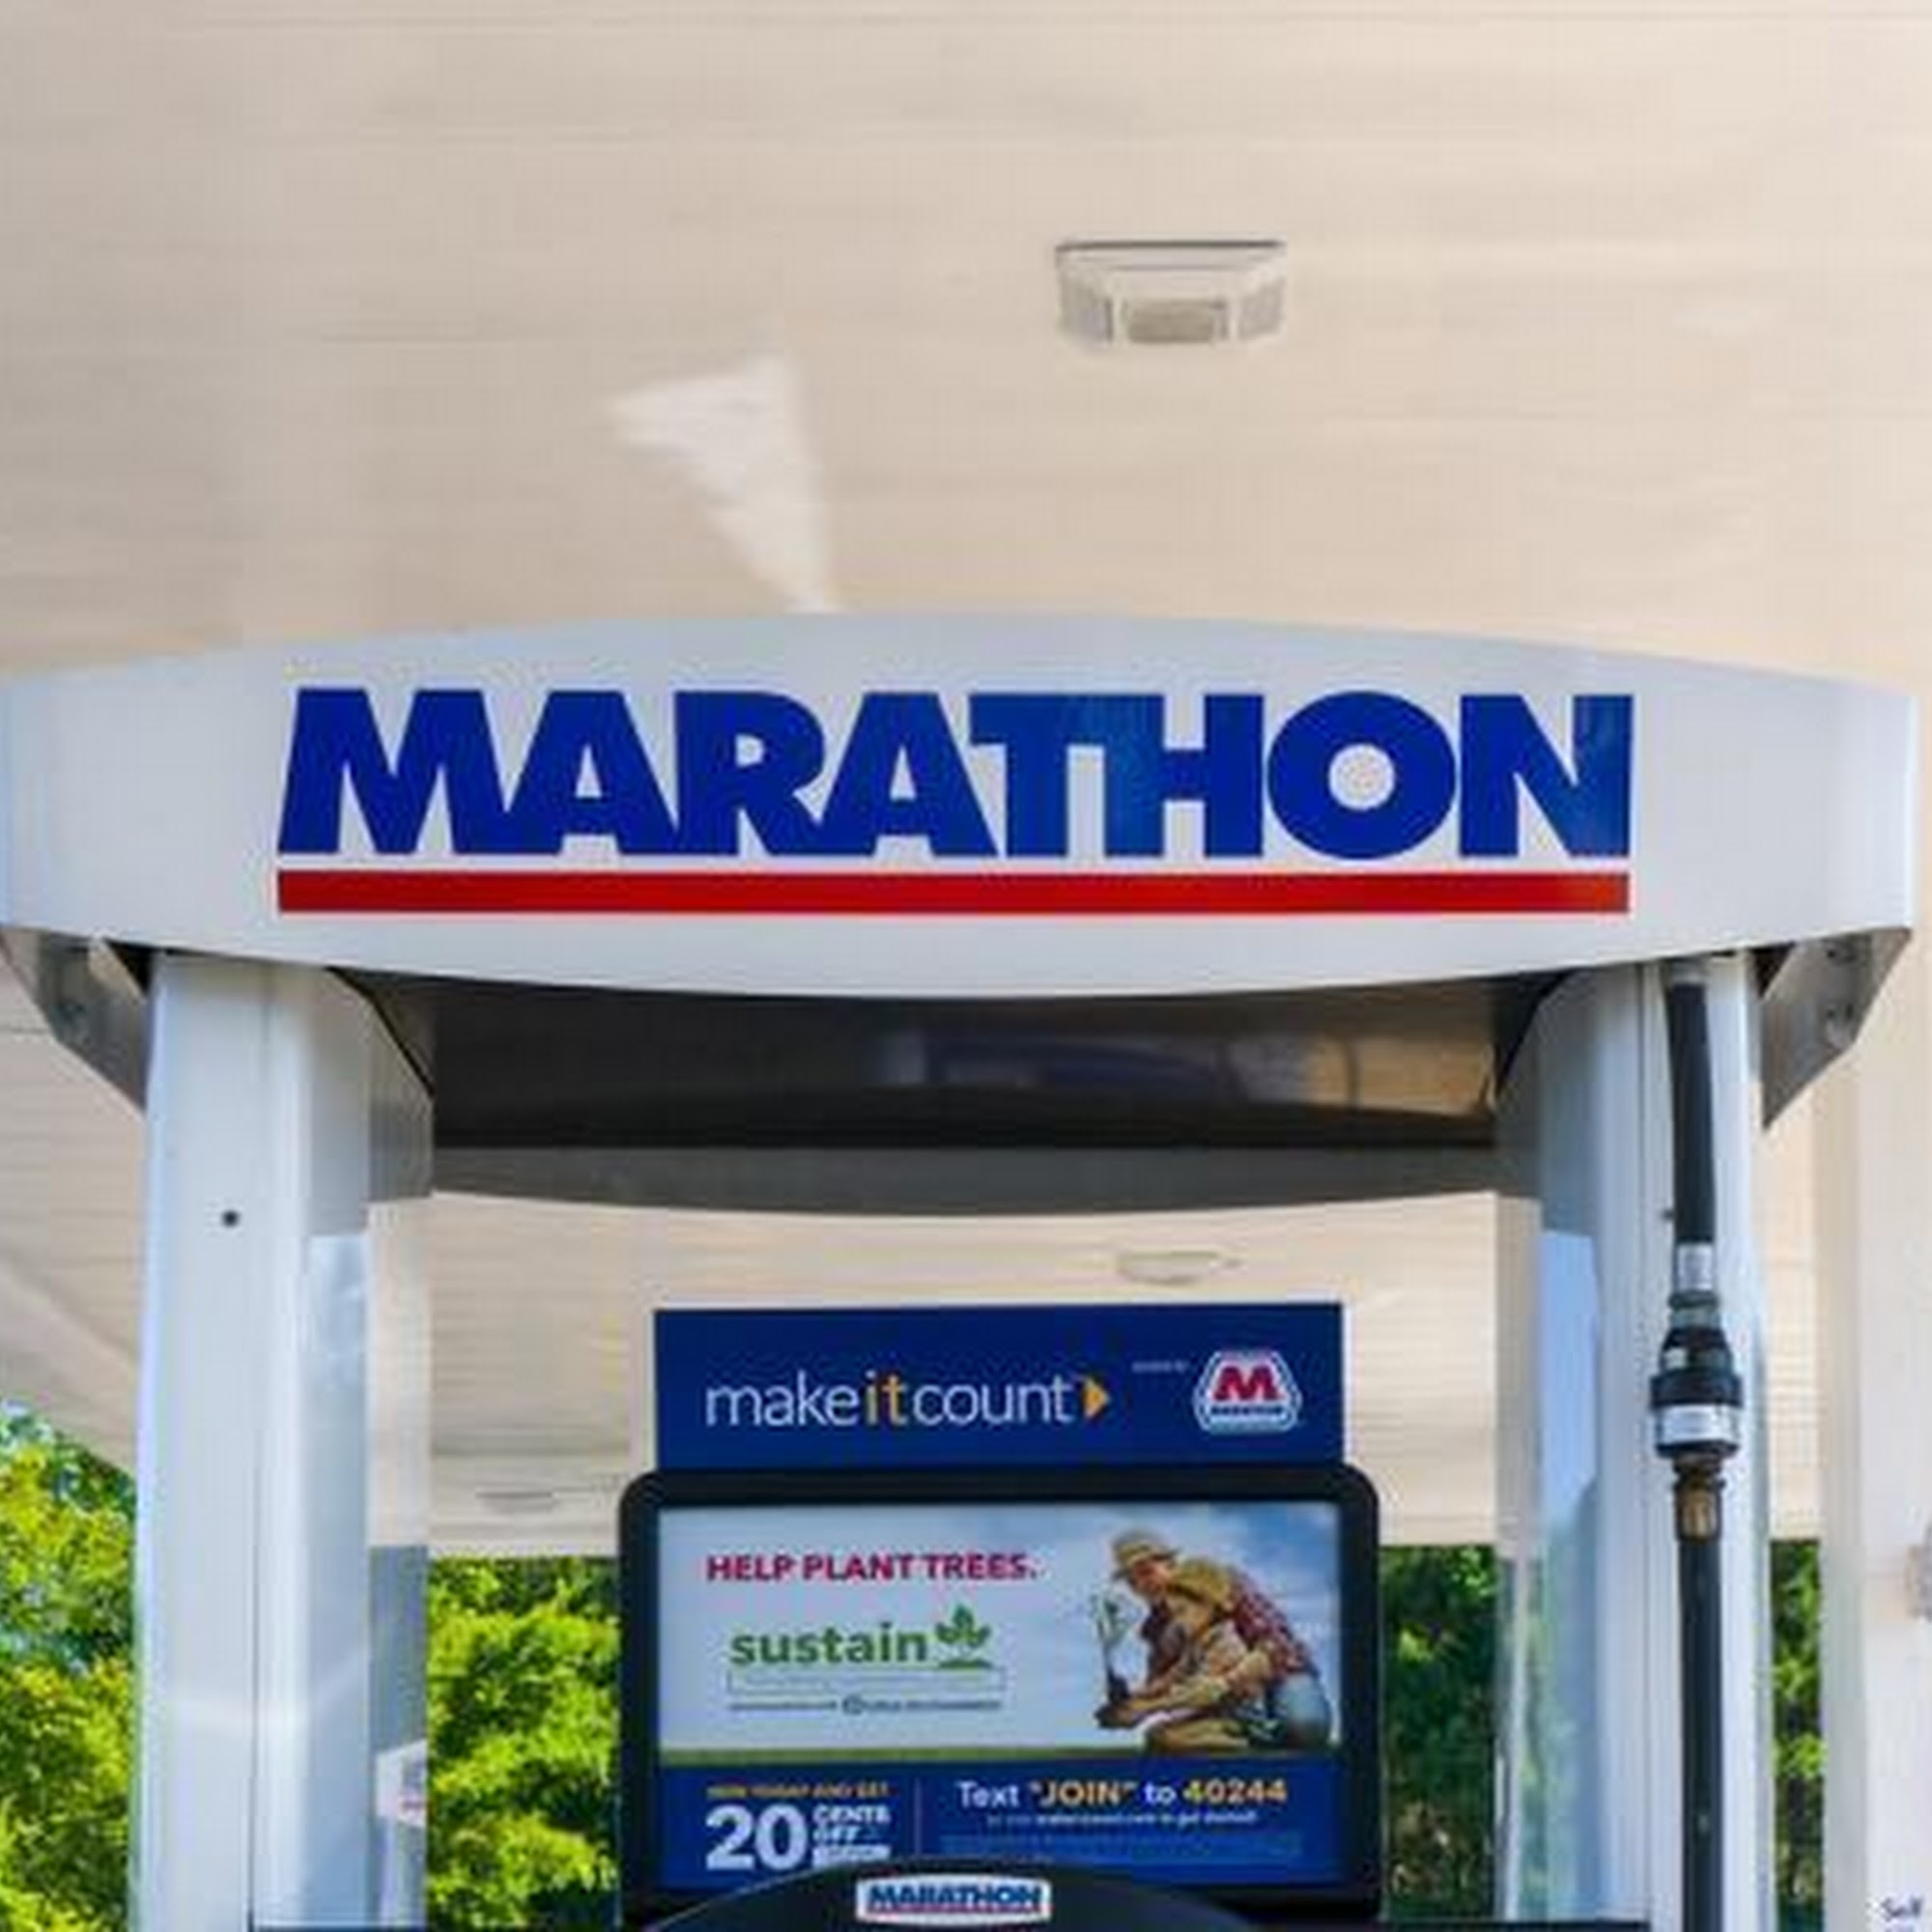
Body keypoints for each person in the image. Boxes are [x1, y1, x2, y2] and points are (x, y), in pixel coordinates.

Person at [1097, 1527, 1333, 1748]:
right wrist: (1132, 1704)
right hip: (1221, 1697)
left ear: (1170, 1563)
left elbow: (1275, 1645)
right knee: (1160, 1736)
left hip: (1279, 1672)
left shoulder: (1220, 1581)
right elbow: (1168, 1678)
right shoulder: (1157, 1626)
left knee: (1304, 1727)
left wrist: (1223, 1683)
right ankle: (1246, 1732)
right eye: (1132, 1581)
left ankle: (1254, 1728)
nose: (1141, 1585)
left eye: (1146, 1572)